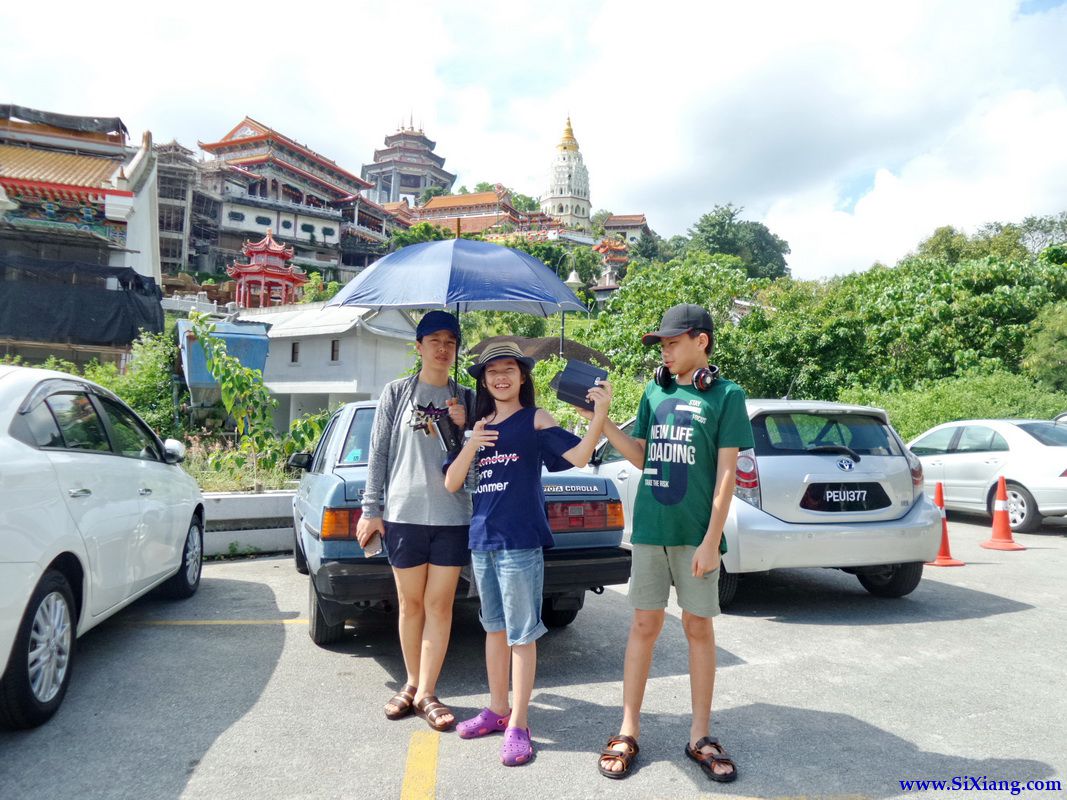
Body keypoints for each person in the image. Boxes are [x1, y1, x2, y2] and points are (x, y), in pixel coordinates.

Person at [595, 304, 753, 783]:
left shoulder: (726, 396)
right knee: (643, 625)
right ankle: (628, 729)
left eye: (672, 342)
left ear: (700, 341)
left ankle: (700, 735)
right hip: (650, 532)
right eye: (661, 343)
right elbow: (643, 456)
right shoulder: (653, 391)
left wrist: (711, 541)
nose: (664, 350)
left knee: (698, 629)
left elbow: (727, 477)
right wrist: (604, 422)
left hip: (695, 537)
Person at [443, 342, 611, 766]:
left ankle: (519, 722)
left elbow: (576, 456)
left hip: (520, 541)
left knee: (522, 633)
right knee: (494, 629)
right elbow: (452, 484)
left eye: (509, 370)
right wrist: (471, 440)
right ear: (483, 380)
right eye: (492, 371)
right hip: (483, 540)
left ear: (522, 377)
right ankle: (497, 709)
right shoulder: (480, 425)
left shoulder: (535, 419)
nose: (501, 377)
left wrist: (600, 418)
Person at [356, 310, 472, 732]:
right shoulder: (396, 393)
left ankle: (427, 691)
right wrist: (372, 509)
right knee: (410, 604)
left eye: (451, 342)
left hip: (452, 517)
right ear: (419, 346)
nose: (443, 349)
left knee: (440, 605)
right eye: (435, 340)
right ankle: (409, 682)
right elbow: (379, 455)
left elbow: (478, 465)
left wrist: (463, 429)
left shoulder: (468, 400)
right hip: (404, 515)